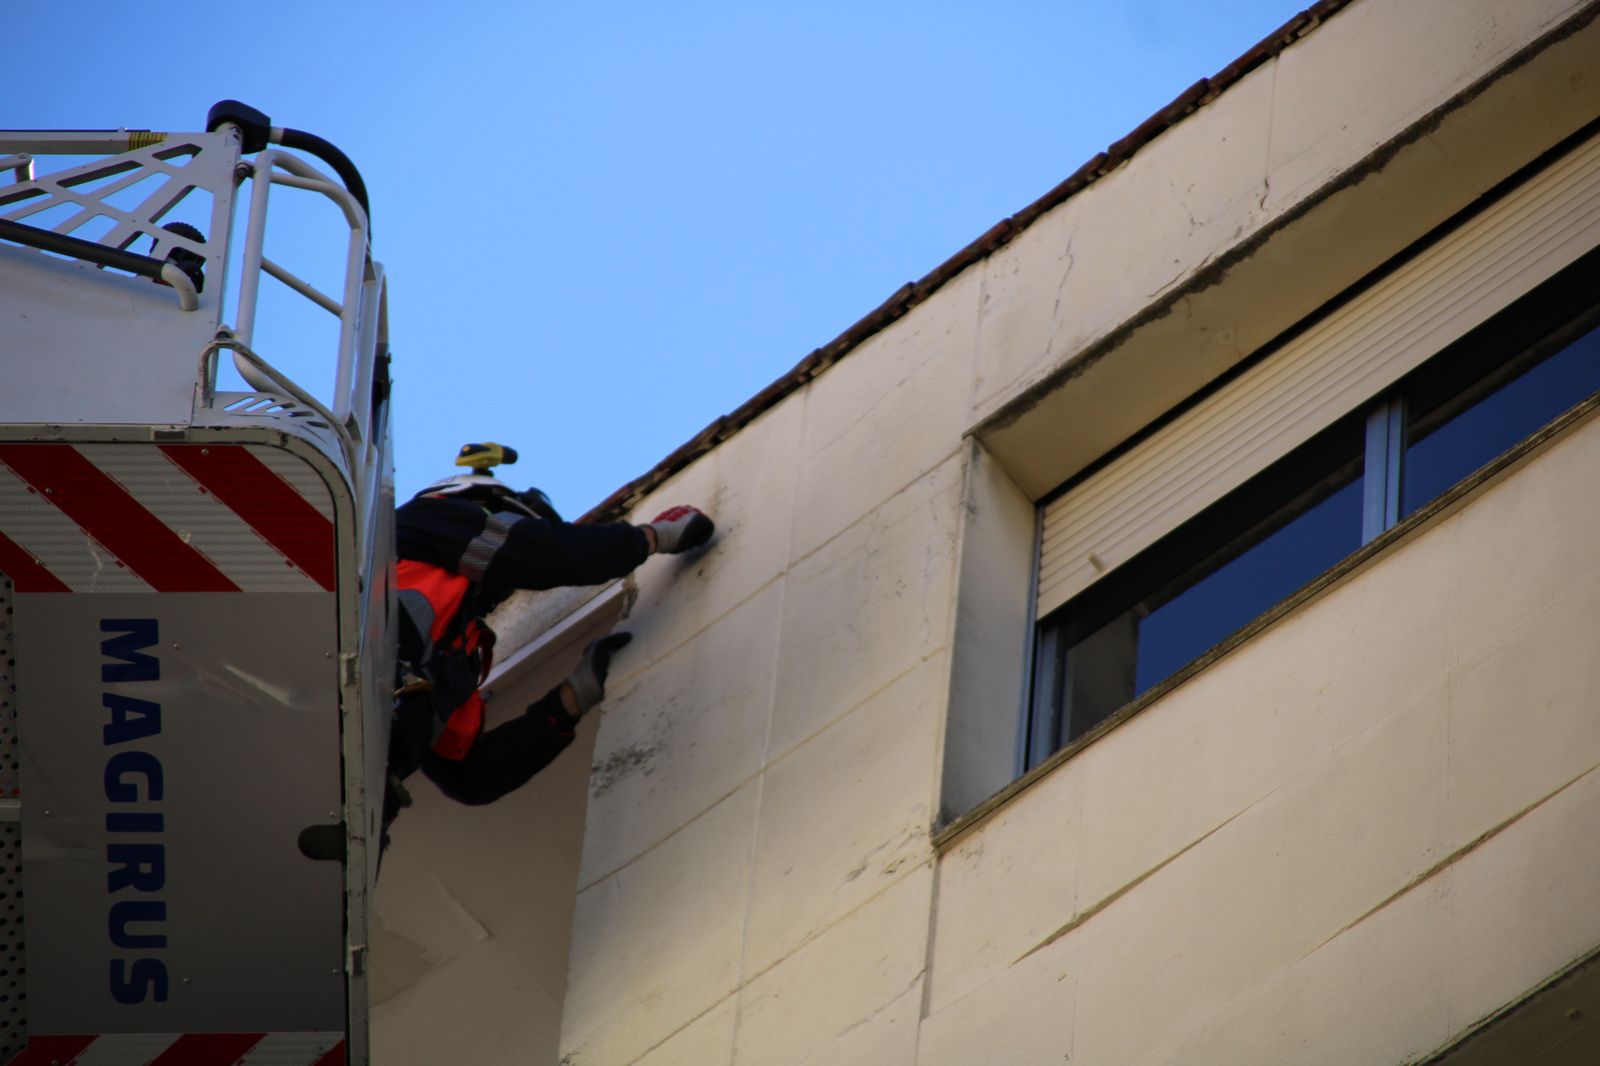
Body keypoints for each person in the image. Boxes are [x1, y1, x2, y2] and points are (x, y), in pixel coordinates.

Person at [383, 443, 714, 841]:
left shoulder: (449, 656)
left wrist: (575, 695)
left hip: (365, 759)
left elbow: (473, 775)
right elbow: (547, 554)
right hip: (349, 689)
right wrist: (651, 537)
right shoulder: (427, 521)